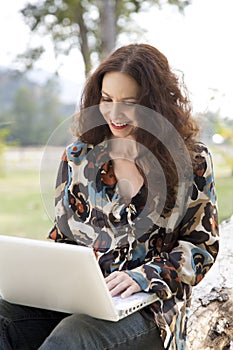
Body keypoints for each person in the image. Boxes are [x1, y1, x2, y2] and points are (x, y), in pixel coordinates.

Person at [0, 43, 219, 350]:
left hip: (149, 307)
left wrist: (144, 277)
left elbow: (201, 248)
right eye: (106, 99)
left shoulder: (192, 160)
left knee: (75, 336)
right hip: (82, 298)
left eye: (129, 102)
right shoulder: (77, 157)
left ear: (155, 104)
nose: (115, 114)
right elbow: (64, 239)